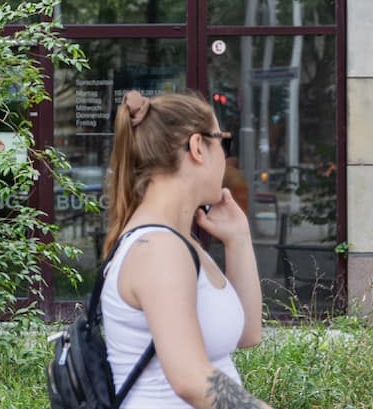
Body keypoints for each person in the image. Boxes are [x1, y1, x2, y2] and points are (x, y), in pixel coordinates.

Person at [100, 91, 272, 409]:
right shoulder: (158, 249)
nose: (227, 158)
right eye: (224, 143)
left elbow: (247, 334)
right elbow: (191, 378)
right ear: (197, 147)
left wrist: (238, 239)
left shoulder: (179, 242)